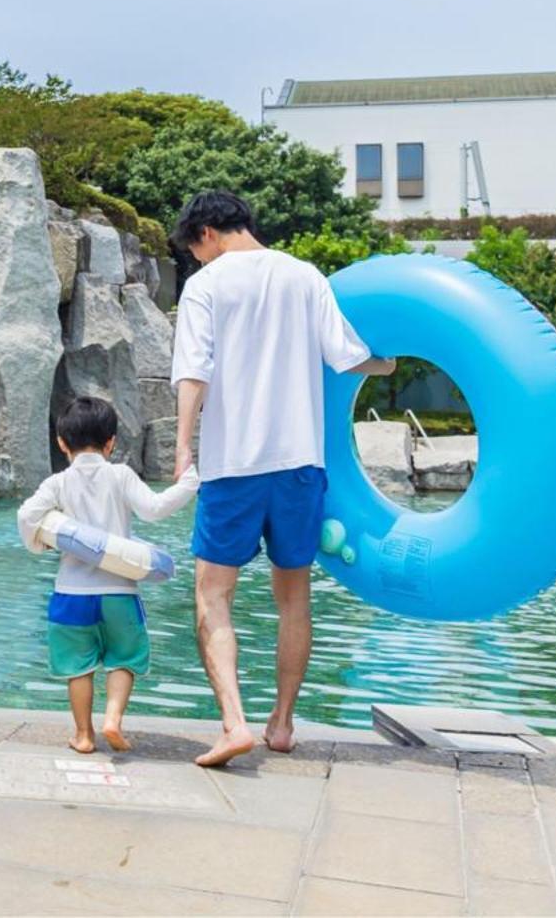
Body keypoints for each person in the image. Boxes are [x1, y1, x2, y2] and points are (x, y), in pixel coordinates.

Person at [168, 191, 394, 767]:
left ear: (208, 233)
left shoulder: (207, 286)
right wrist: (393, 359)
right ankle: (284, 723)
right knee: (293, 599)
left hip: (233, 468)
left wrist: (183, 445)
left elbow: (194, 372)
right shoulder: (306, 276)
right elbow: (349, 357)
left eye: (196, 251)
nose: (199, 261)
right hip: (299, 465)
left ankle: (234, 723)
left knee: (212, 595)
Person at [17, 396, 198, 754]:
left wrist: (41, 546)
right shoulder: (121, 475)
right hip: (120, 591)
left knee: (78, 667)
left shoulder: (58, 483)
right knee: (124, 658)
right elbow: (155, 509)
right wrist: (190, 481)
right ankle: (113, 719)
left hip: (71, 593)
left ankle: (84, 735)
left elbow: (26, 516)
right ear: (111, 442)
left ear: (61, 442)